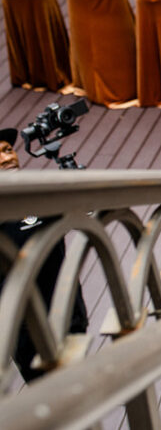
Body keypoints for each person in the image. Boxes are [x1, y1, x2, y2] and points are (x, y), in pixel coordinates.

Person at [0, 128, 89, 383]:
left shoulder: (39, 193)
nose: (7, 159)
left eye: (8, 150)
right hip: (26, 330)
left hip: (68, 313)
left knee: (78, 388)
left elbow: (84, 214)